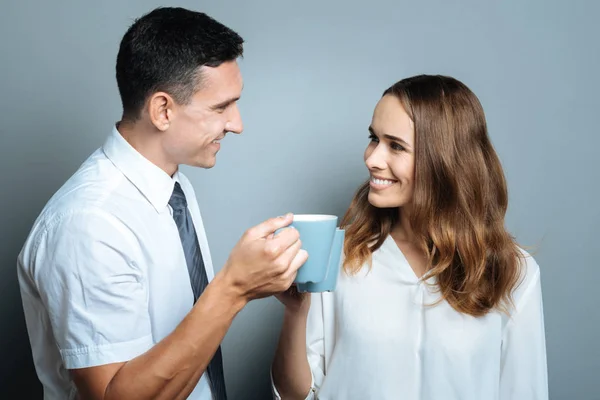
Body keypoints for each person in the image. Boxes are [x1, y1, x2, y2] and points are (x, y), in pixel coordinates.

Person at [17, 7, 307, 400]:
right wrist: (233, 289)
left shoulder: (174, 187)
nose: (237, 124)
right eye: (221, 107)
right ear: (163, 110)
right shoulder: (88, 223)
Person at [271, 74, 548, 400]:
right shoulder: (340, 256)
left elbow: (524, 392)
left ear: (445, 160)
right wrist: (296, 312)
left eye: (396, 146)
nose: (372, 158)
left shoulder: (512, 271)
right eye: (374, 138)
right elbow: (295, 395)